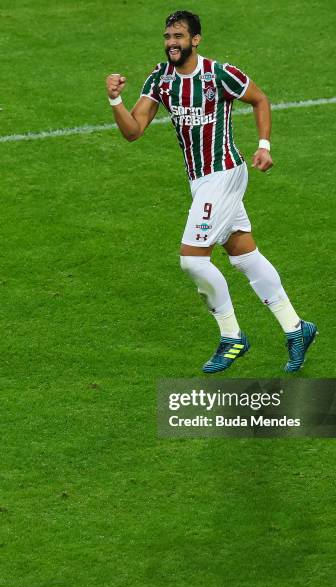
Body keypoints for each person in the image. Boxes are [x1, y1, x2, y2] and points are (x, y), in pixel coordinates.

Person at [105, 10, 317, 373]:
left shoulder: (219, 74)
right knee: (243, 255)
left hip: (225, 173)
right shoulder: (161, 79)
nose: (172, 42)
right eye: (168, 36)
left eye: (179, 36)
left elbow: (260, 100)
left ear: (195, 40)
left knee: (192, 259)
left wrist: (264, 145)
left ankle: (232, 336)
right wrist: (115, 101)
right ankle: (297, 328)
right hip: (199, 181)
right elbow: (133, 131)